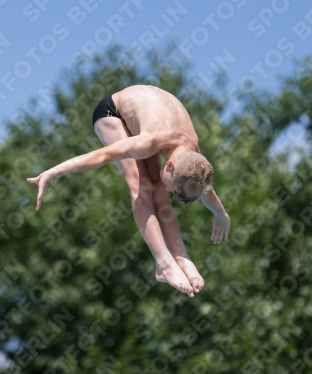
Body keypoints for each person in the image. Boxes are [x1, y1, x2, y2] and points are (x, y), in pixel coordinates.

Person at [27, 85, 230, 298]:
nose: (170, 190)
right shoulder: (148, 142)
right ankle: (163, 264)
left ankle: (182, 258)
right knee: (141, 185)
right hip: (112, 113)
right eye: (174, 187)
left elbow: (204, 187)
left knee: (159, 188)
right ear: (170, 165)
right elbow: (100, 157)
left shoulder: (192, 157)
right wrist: (52, 172)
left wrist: (221, 215)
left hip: (149, 118)